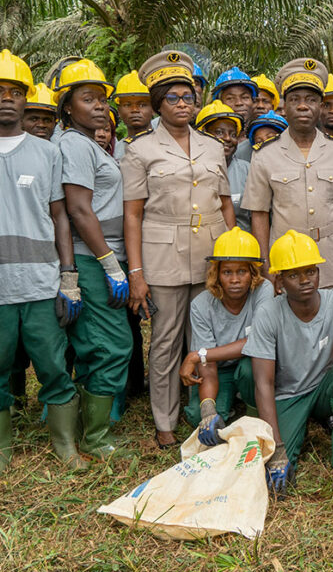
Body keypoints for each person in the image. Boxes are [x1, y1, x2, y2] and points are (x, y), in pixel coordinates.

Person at [0, 50, 86, 481]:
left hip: (42, 284)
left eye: (15, 91)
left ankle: (64, 444)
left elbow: (60, 215)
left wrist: (69, 278)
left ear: (26, 98)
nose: (7, 99)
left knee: (53, 367)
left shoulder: (45, 153)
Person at [121, 50, 236, 449]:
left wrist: (233, 253)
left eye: (188, 96)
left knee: (203, 338)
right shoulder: (139, 150)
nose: (183, 103)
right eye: (173, 97)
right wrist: (136, 273)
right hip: (163, 256)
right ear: (157, 104)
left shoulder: (211, 146)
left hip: (209, 252)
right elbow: (132, 215)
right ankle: (164, 419)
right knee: (167, 340)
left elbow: (224, 203)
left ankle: (198, 411)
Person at [236, 230, 333, 492]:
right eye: (294, 275)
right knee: (275, 478)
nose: (305, 280)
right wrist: (276, 448)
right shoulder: (268, 313)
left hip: (324, 386)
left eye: (310, 271)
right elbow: (263, 382)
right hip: (288, 394)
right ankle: (280, 429)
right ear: (279, 283)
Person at [54, 58, 133, 460]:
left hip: (101, 257)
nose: (100, 106)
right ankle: (96, 438)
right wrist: (109, 264)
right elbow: (79, 209)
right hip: (91, 260)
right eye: (88, 99)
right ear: (67, 106)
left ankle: (89, 428)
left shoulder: (86, 144)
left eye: (103, 99)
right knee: (113, 346)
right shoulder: (72, 144)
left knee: (93, 345)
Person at [243, 58, 333, 293]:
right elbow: (259, 215)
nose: (302, 106)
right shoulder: (264, 155)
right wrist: (266, 265)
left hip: (331, 261)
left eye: (311, 100)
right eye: (294, 100)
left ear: (321, 105)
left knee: (332, 325)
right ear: (283, 106)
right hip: (286, 264)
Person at [178, 227, 274, 434]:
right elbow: (208, 365)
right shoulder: (201, 305)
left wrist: (197, 355)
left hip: (254, 363)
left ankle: (254, 412)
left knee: (250, 368)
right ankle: (224, 404)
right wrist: (208, 408)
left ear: (253, 273)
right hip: (219, 369)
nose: (235, 279)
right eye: (227, 272)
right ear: (217, 274)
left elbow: (257, 342)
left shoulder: (263, 290)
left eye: (242, 271)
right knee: (200, 415)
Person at [111, 69, 154, 399]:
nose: (135, 111)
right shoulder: (110, 148)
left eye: (142, 103)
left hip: (157, 243)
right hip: (120, 248)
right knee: (127, 322)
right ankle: (131, 385)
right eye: (128, 104)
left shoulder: (166, 143)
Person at [196, 99, 250, 231]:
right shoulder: (192, 170)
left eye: (233, 134)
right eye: (219, 132)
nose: (227, 138)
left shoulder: (248, 170)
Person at [212, 68, 258, 162]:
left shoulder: (260, 137)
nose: (239, 103)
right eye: (230, 98)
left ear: (253, 101)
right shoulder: (208, 138)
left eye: (245, 97)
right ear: (219, 102)